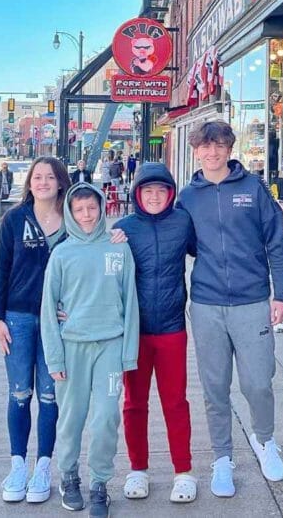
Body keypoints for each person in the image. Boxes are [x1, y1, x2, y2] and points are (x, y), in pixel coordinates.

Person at [178, 119, 283, 497]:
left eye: (219, 146)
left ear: (229, 148)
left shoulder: (254, 188)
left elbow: (277, 242)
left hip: (253, 301)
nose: (212, 153)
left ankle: (265, 440)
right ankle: (222, 458)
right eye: (205, 147)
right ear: (196, 151)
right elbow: (179, 243)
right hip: (207, 304)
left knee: (258, 382)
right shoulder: (187, 197)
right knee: (214, 388)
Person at [40, 184, 139, 517]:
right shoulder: (62, 253)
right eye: (79, 210)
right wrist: (54, 356)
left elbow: (131, 302)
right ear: (70, 212)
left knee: (106, 417)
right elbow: (47, 308)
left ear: (101, 208)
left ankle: (99, 483)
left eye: (92, 208)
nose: (86, 215)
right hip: (72, 348)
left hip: (110, 345)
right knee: (71, 420)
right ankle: (69, 476)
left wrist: (128, 353)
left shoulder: (118, 248)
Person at [0, 156, 72, 505]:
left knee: (50, 395)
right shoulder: (14, 219)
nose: (43, 182)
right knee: (20, 393)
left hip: (58, 322)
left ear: (60, 182)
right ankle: (18, 465)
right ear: (29, 182)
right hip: (19, 317)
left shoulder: (73, 220)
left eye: (49, 177)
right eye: (37, 177)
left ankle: (43, 466)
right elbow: (1, 270)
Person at [117, 163, 197, 503]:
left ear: (170, 194)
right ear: (137, 194)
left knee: (175, 402)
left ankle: (183, 472)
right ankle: (138, 470)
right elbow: (100, 273)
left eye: (160, 191)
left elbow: (209, 250)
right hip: (134, 332)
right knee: (134, 403)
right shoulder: (123, 228)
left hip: (171, 328)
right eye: (147, 191)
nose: (153, 196)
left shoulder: (182, 222)